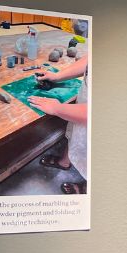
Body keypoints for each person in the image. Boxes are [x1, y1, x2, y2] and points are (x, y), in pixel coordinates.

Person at [29, 54, 89, 194]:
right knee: (77, 131)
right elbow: (91, 59)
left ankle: (86, 189)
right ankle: (65, 161)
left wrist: (58, 108)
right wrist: (58, 76)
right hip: (87, 100)